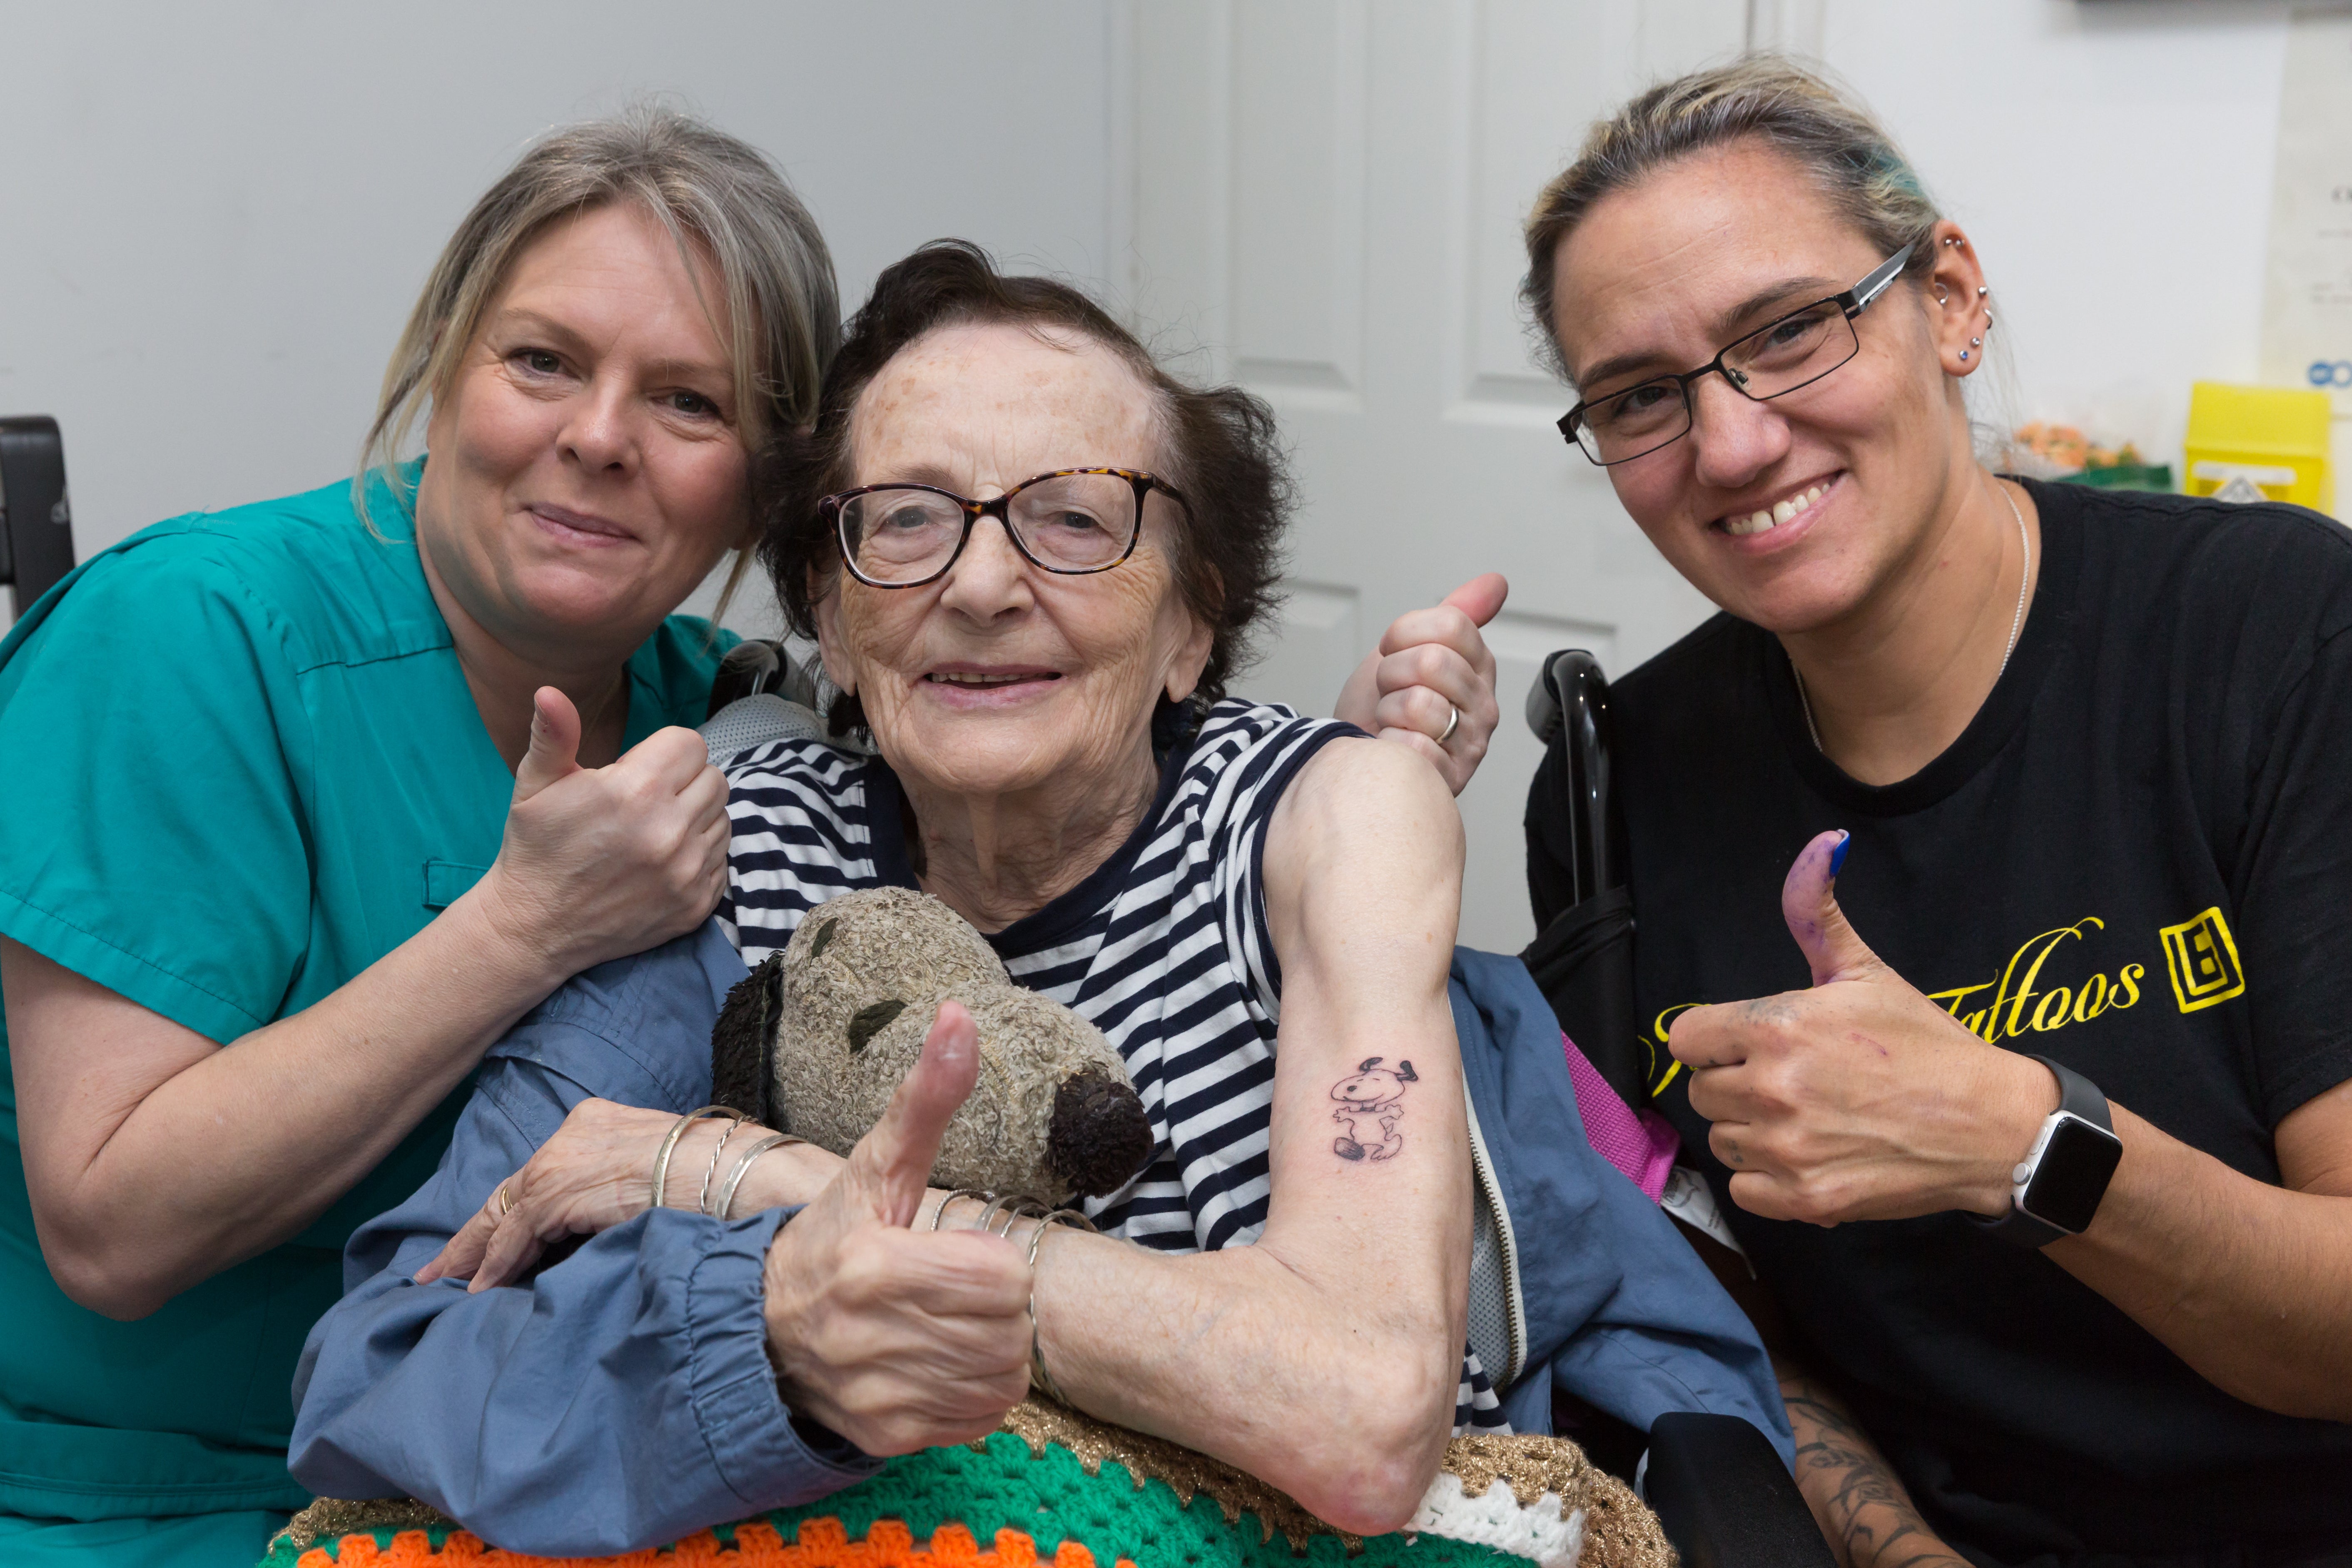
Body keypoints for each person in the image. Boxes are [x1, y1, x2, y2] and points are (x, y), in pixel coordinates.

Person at [286, 241, 1789, 1558]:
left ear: (1196, 620)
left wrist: (752, 1179)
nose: (987, 586)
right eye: (909, 518)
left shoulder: (1323, 822)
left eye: (1077, 519)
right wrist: (778, 1352)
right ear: (827, 606)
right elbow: (386, 1367)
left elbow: (1361, 1422)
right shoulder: (730, 860)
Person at [1517, 58, 2352, 1568]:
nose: (1731, 445)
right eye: (1641, 397)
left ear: (1951, 300)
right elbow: (1708, 1309)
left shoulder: (2278, 636)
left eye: (1785, 332)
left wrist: (2023, 1143)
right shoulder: (1622, 782)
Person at [0, 107, 843, 1567]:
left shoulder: (709, 709)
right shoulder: (189, 639)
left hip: (530, 1470)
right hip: (152, 1497)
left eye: (690, 404)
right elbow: (112, 1229)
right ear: (446, 367)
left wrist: (1359, 743)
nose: (597, 437)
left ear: (765, 489)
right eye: (544, 361)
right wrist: (525, 929)